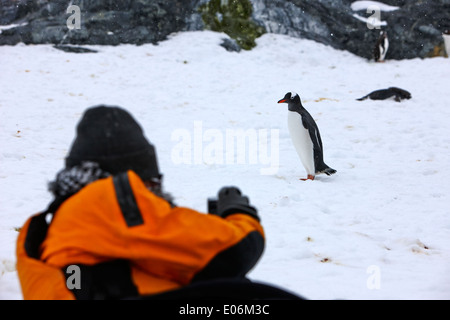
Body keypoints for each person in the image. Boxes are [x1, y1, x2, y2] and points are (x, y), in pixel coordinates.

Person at [15, 105, 267, 300]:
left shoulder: (67, 222)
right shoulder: (106, 201)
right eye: (152, 181)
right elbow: (235, 251)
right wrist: (238, 212)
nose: (157, 190)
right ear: (128, 180)